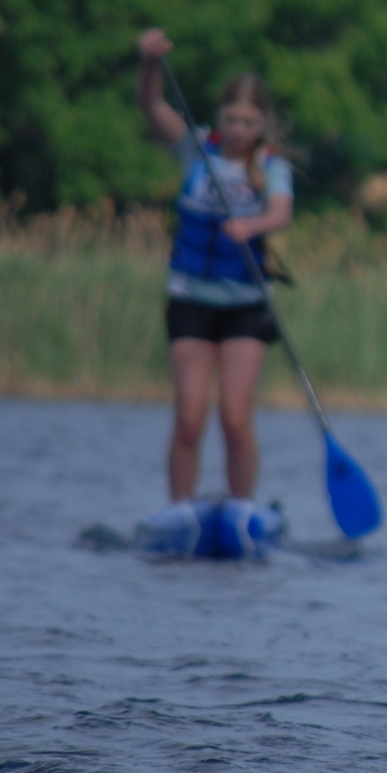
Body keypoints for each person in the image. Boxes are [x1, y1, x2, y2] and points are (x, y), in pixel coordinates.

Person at [135, 29, 294, 502]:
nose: (240, 128)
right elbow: (151, 104)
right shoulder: (196, 149)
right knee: (188, 418)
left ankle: (241, 508)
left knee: (235, 418)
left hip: (246, 303)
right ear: (219, 117)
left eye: (249, 120)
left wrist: (253, 226)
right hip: (190, 297)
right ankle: (180, 509)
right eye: (232, 118)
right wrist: (148, 64)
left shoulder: (271, 165)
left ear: (262, 123)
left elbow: (282, 212)